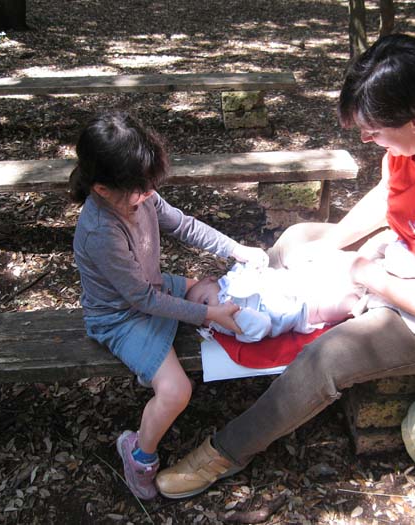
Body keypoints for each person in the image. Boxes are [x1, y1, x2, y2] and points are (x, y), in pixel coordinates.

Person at [155, 33, 415, 499]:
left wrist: (363, 272)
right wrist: (333, 245)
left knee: (331, 356)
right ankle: (275, 313)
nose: (365, 138)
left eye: (374, 130)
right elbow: (390, 195)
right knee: (300, 239)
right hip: (407, 259)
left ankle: (225, 452)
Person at [69, 111, 268, 500]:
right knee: (177, 390)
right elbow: (141, 299)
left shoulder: (138, 190)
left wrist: (235, 250)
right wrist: (209, 315)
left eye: (149, 187)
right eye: (140, 191)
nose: (148, 196)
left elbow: (183, 225)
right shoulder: (100, 231)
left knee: (212, 288)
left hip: (151, 288)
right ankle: (139, 453)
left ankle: (190, 330)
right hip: (120, 317)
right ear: (102, 189)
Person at [185, 253, 364, 343]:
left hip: (295, 281)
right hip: (301, 311)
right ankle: (365, 301)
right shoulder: (228, 325)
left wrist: (253, 263)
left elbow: (251, 266)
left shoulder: (233, 277)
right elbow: (261, 328)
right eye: (206, 319)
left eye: (206, 302)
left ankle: (365, 267)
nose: (212, 313)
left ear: (211, 281)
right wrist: (239, 315)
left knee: (329, 269)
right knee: (335, 307)